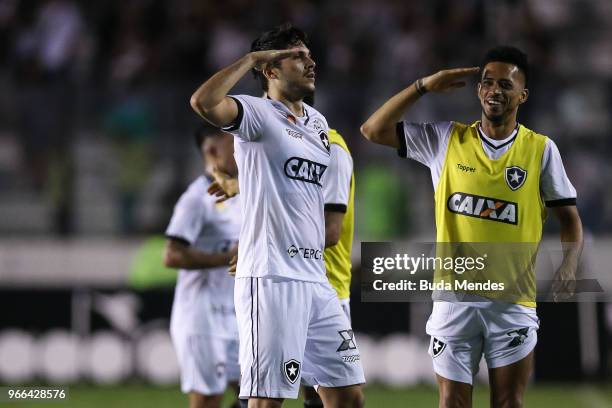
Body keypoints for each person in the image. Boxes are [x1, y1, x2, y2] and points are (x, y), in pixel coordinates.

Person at [360, 46, 583, 407]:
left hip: (512, 301)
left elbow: (569, 218)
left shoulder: (541, 150)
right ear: (478, 90)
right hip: (454, 299)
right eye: (487, 82)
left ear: (522, 95)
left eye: (505, 84)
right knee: (452, 403)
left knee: (508, 402)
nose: (494, 90)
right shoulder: (445, 140)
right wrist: (423, 86)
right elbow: (372, 129)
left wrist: (570, 263)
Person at [190, 23, 365, 408]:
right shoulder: (257, 113)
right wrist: (250, 59)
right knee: (267, 400)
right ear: (270, 70)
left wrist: (241, 188)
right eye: (298, 57)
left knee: (349, 396)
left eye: (309, 54)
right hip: (271, 277)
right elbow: (203, 102)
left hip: (317, 281)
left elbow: (291, 191)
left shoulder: (318, 126)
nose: (311, 62)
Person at [163, 123, 241, 408]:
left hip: (236, 316)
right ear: (211, 149)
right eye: (234, 145)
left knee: (257, 394)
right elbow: (172, 255)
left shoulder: (241, 193)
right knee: (209, 399)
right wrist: (226, 258)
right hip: (202, 318)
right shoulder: (197, 199)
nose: (242, 149)